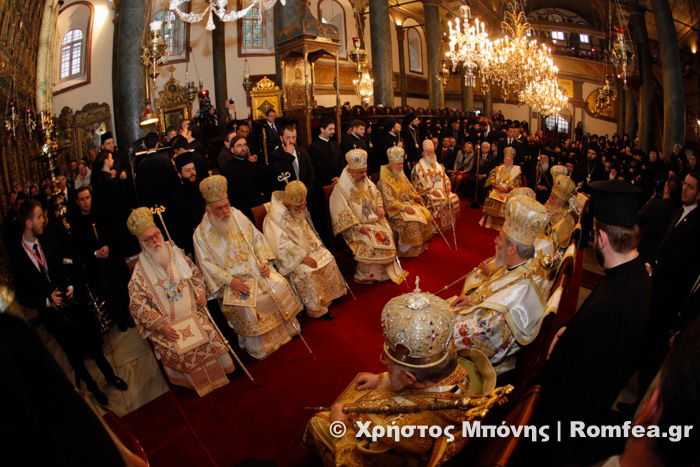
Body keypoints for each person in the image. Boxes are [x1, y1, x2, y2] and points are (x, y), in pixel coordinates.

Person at [303, 284, 498, 467]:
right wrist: (382, 378)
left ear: (410, 379)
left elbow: (353, 461)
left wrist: (340, 428)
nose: (386, 367)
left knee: (319, 422)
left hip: (408, 453)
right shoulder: (462, 365)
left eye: (389, 365)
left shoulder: (394, 430)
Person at [532, 180, 650, 466]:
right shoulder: (631, 275)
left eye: (595, 233)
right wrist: (569, 330)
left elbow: (583, 379)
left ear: (603, 238)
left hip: (565, 423)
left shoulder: (618, 302)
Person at [9, 199, 127, 405]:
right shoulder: (18, 257)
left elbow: (66, 263)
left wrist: (71, 287)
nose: (43, 220)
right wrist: (46, 301)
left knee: (92, 343)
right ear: (28, 223)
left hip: (74, 305)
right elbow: (22, 295)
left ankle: (110, 375)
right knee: (73, 354)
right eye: (38, 217)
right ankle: (91, 387)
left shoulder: (48, 238)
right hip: (53, 316)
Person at [126, 208, 234, 396]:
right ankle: (197, 382)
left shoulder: (174, 251)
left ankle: (223, 371)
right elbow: (138, 306)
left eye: (156, 235)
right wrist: (160, 326)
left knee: (207, 332)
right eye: (148, 240)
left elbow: (194, 273)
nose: (154, 241)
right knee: (180, 346)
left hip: (193, 312)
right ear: (141, 244)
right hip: (168, 325)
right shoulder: (139, 273)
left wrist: (200, 291)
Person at [193, 175, 303, 360]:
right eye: (219, 208)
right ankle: (260, 346)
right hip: (232, 282)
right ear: (209, 210)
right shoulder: (200, 234)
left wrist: (263, 262)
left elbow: (257, 238)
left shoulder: (236, 215)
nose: (225, 211)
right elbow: (206, 266)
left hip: (255, 270)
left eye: (226, 205)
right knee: (249, 304)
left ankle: (287, 330)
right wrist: (231, 281)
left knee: (279, 285)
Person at [450, 195, 550, 371]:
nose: (495, 241)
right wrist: (472, 300)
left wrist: (442, 330)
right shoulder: (527, 265)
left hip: (484, 363)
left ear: (512, 249)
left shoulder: (516, 298)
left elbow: (480, 338)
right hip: (479, 322)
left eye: (500, 238)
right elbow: (497, 285)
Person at [263, 181, 346, 320]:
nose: (302, 209)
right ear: (288, 204)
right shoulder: (274, 220)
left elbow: (306, 230)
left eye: (303, 205)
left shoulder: (296, 210)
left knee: (328, 256)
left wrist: (314, 245)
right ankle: (315, 309)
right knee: (307, 271)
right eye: (298, 207)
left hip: (308, 249)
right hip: (293, 260)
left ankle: (329, 296)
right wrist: (302, 257)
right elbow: (280, 246)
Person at [330, 148, 404, 284]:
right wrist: (359, 228)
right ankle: (367, 274)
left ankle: (381, 272)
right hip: (354, 227)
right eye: (361, 172)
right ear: (351, 172)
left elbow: (377, 195)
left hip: (373, 220)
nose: (365, 175)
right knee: (370, 241)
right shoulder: (340, 189)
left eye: (365, 171)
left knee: (387, 233)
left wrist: (380, 207)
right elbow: (341, 213)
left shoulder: (366, 181)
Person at [70, 186, 132, 331]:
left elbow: (112, 233)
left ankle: (127, 316)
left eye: (87, 198)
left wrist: (108, 246)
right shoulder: (76, 224)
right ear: (77, 202)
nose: (86, 202)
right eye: (82, 199)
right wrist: (94, 253)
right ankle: (119, 320)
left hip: (112, 258)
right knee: (108, 292)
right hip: (96, 265)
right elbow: (79, 248)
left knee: (120, 287)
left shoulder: (100, 213)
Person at [377, 145, 433, 257]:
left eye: (402, 163)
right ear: (391, 164)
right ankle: (406, 251)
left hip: (408, 204)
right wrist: (403, 208)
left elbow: (408, 189)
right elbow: (388, 202)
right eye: (398, 164)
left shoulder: (400, 175)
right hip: (394, 212)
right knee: (412, 222)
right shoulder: (384, 181)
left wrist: (414, 196)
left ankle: (419, 246)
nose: (401, 166)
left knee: (425, 214)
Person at [411, 139, 460, 232]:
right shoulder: (419, 168)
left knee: (454, 198)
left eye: (433, 152)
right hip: (426, 194)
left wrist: (448, 185)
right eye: (429, 152)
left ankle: (448, 224)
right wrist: (433, 191)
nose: (432, 154)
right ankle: (435, 227)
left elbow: (445, 177)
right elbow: (419, 184)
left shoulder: (438, 165)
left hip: (442, 192)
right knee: (438, 203)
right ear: (424, 153)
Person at [219, 136, 268, 221]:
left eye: (244, 145)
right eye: (239, 146)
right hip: (240, 210)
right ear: (232, 150)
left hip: (256, 207)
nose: (243, 148)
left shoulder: (252, 165)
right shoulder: (227, 169)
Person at [166, 152, 205, 257]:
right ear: (179, 175)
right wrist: (186, 250)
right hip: (190, 243)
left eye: (193, 169)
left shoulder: (202, 188)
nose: (192, 173)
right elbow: (175, 227)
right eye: (187, 170)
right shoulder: (175, 197)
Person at [637, 174, 682, 264]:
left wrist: (649, 203)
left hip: (646, 253)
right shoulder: (679, 211)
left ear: (666, 189)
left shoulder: (655, 204)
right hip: (664, 259)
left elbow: (638, 217)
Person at [479, 147, 522, 230]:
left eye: (510, 160)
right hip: (497, 190)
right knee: (491, 196)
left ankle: (504, 225)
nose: (508, 162)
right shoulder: (497, 169)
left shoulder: (517, 171)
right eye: (506, 160)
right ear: (503, 160)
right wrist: (495, 186)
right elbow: (490, 178)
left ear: (512, 161)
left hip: (509, 192)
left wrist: (507, 189)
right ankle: (489, 222)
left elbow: (518, 184)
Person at [135, 132, 180, 209]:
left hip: (151, 206)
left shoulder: (140, 165)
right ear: (157, 144)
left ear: (145, 145)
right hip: (167, 203)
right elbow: (174, 182)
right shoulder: (165, 161)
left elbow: (140, 190)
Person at [269, 125, 315, 195]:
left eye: (293, 137)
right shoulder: (275, 154)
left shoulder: (302, 151)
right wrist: (289, 155)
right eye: (288, 138)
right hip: (287, 196)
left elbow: (310, 171)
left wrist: (306, 189)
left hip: (304, 194)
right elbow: (278, 174)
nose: (291, 140)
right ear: (281, 138)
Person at [544, 174, 576, 251]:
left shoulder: (564, 222)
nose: (548, 200)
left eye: (551, 197)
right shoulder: (557, 210)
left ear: (559, 204)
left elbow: (554, 247)